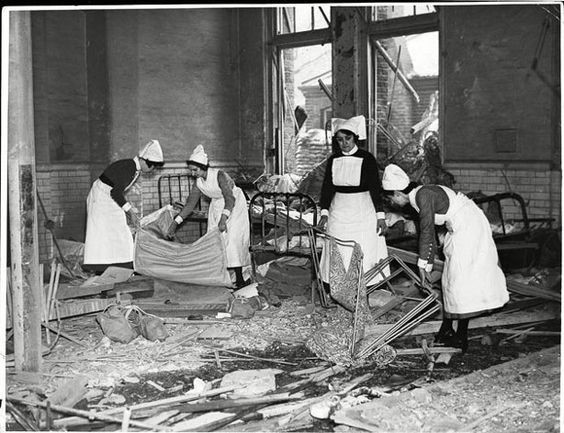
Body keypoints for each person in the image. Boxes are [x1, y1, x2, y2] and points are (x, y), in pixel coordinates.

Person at [381, 163, 509, 352]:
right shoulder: (420, 194)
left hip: (468, 226)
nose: (393, 203)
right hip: (461, 225)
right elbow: (429, 234)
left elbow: (426, 232)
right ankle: (447, 329)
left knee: (460, 281)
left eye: (391, 199)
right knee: (450, 279)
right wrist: (426, 265)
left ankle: (460, 337)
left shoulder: (422, 196)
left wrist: (423, 266)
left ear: (398, 193)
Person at [317, 115, 389, 290]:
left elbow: (375, 189)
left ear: (355, 138)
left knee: (363, 247)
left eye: (347, 138)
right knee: (338, 248)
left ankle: (364, 287)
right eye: (340, 140)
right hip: (339, 209)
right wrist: (324, 213)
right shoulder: (333, 160)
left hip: (363, 209)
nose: (344, 143)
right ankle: (338, 287)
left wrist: (380, 216)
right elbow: (327, 188)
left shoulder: (367, 159)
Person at [167, 145, 251, 288]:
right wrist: (175, 223)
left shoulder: (220, 175)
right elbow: (189, 205)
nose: (193, 174)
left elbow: (230, 199)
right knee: (216, 241)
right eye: (191, 171)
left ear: (203, 167)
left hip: (235, 205)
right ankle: (220, 277)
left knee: (233, 241)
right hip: (217, 205)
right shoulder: (199, 183)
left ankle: (241, 279)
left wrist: (223, 219)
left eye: (195, 170)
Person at [83, 140, 165, 274]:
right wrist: (130, 212)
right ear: (145, 161)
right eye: (152, 167)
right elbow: (115, 192)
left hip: (107, 197)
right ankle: (104, 267)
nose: (152, 170)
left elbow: (116, 192)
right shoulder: (129, 167)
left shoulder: (133, 167)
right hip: (102, 198)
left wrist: (129, 211)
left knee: (117, 233)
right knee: (106, 233)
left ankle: (120, 267)